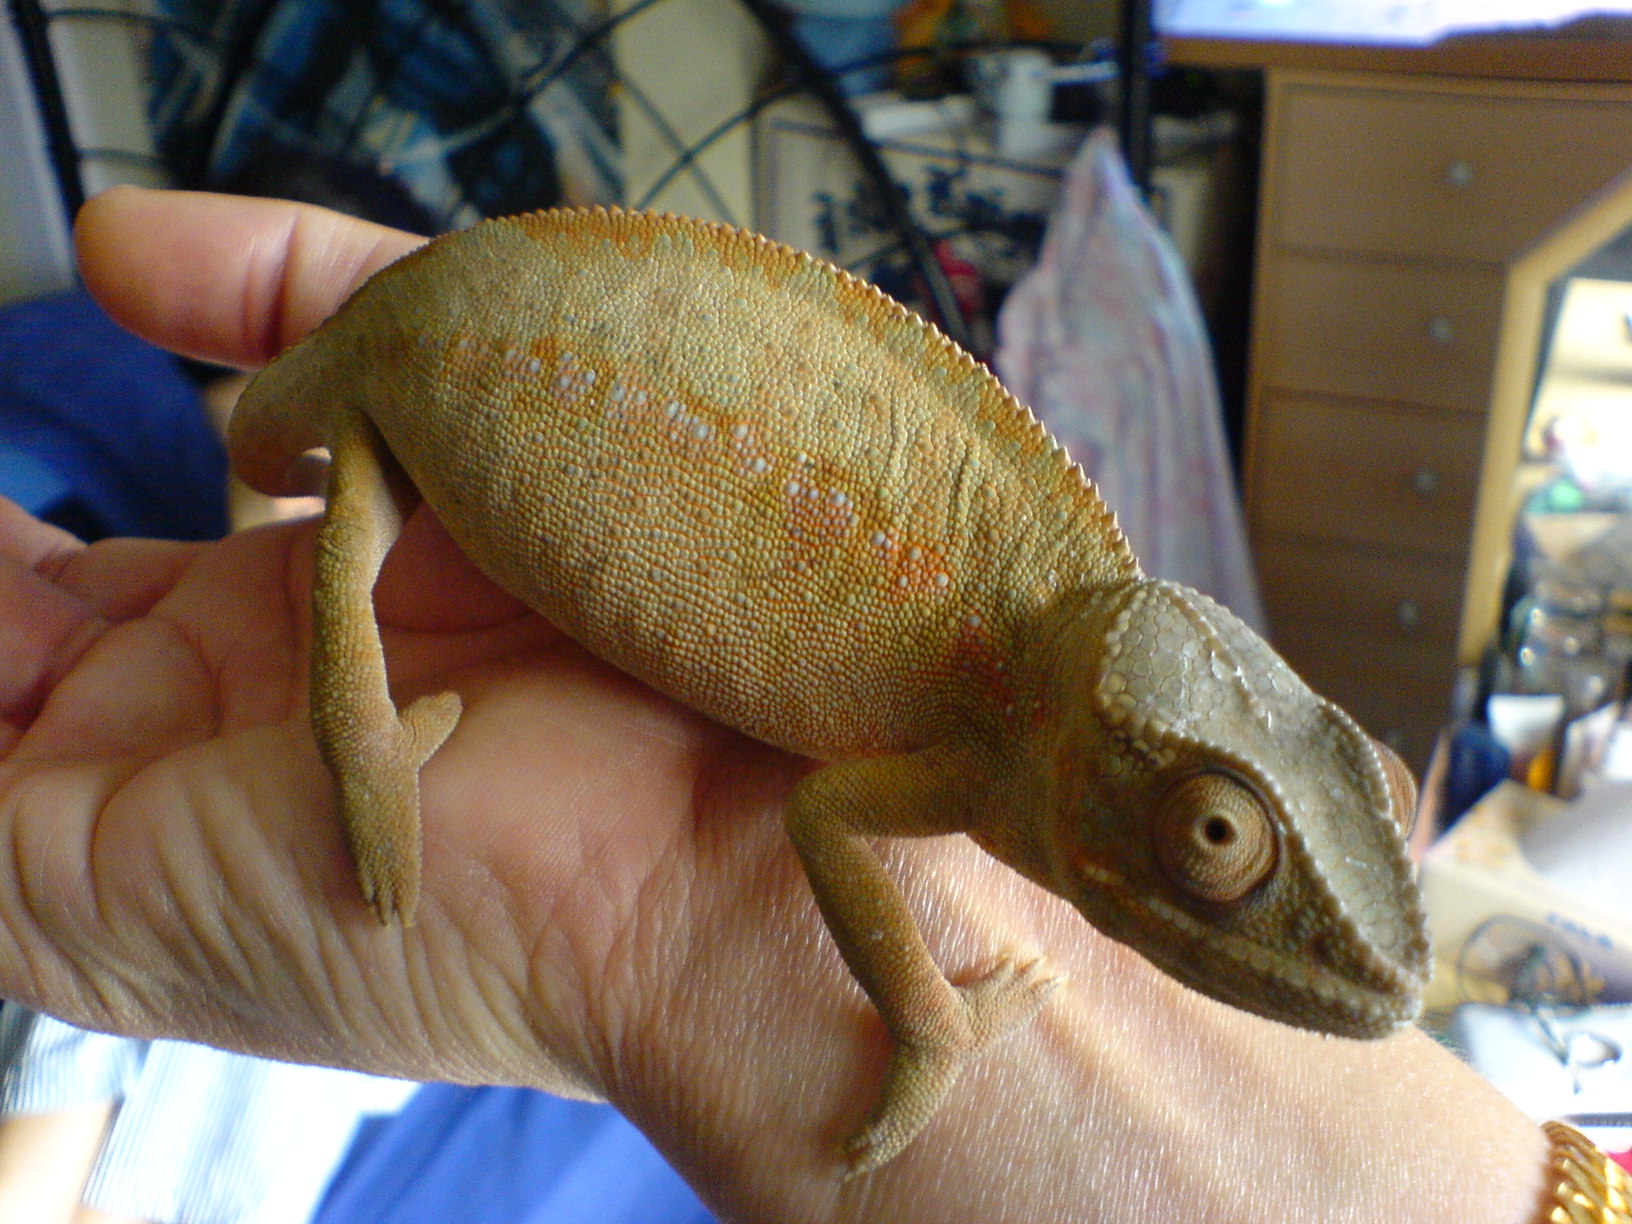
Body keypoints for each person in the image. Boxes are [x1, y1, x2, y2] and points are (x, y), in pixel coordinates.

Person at [0, 185, 1566, 1222]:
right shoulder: (1000, 732)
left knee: (302, 520)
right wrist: (930, 1026)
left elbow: (830, 809)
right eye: (1212, 838)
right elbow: (823, 811)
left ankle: (218, 456)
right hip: (433, 366)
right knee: (329, 566)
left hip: (494, 324)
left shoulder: (1025, 710)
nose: (1211, 863)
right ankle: (334, 702)